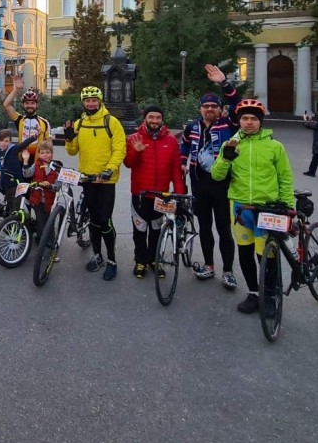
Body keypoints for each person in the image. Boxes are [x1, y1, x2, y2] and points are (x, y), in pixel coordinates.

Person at [210, 98, 294, 315]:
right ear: (239, 121)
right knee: (245, 252)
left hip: (268, 208)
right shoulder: (231, 145)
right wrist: (225, 160)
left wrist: (288, 207)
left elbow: (285, 179)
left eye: (253, 119)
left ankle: (270, 295)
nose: (248, 123)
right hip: (240, 207)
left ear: (261, 122)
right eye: (244, 118)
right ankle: (253, 293)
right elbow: (217, 176)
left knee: (266, 254)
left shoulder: (275, 147)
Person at [179, 63, 240, 289]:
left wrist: (224, 83)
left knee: (224, 228)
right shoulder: (192, 127)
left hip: (222, 184)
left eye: (214, 106)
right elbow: (184, 147)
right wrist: (183, 162)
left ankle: (228, 271)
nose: (210, 109)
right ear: (200, 109)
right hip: (199, 183)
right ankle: (209, 265)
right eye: (206, 106)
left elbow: (238, 105)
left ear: (220, 109)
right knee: (204, 226)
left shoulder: (228, 124)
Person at [64, 86, 127, 281]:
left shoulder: (111, 122)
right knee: (93, 220)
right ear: (83, 102)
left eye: (94, 100)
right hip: (87, 178)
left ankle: (112, 260)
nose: (90, 103)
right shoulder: (80, 123)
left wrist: (109, 169)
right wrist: (68, 138)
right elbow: (72, 151)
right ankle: (97, 255)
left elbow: (119, 149)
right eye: (87, 100)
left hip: (106, 179)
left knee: (104, 220)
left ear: (100, 101)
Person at [124, 105, 186, 279]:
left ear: (162, 120)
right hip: (140, 194)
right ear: (145, 118)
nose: (154, 121)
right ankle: (140, 260)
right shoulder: (135, 138)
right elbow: (128, 164)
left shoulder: (172, 141)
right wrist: (135, 152)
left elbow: (176, 171)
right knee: (140, 231)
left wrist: (179, 195)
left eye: (158, 118)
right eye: (151, 117)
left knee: (157, 231)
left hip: (161, 196)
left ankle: (154, 260)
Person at [0, 129, 37, 220]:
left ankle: (21, 223)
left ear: (10, 141)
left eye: (6, 141)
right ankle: (9, 221)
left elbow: (23, 144)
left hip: (16, 184)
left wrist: (34, 137)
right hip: (5, 184)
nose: (3, 143)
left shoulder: (13, 149)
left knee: (16, 209)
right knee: (10, 205)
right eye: (1, 140)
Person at [2, 75, 51, 156]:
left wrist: (48, 160)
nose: (30, 106)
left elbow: (49, 143)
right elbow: (6, 105)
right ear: (23, 105)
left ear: (37, 105)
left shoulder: (44, 122)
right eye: (27, 103)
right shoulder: (20, 119)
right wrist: (16, 90)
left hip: (38, 160)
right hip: (21, 159)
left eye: (32, 103)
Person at [25, 139, 60, 236]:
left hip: (50, 202)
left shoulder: (56, 168)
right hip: (38, 200)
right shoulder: (35, 165)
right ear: (39, 154)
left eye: (48, 152)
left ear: (52, 154)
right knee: (40, 221)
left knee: (50, 222)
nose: (45, 155)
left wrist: (49, 186)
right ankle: (40, 240)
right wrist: (25, 161)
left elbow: (58, 186)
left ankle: (50, 241)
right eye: (42, 152)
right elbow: (26, 174)